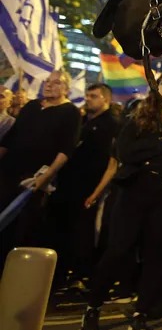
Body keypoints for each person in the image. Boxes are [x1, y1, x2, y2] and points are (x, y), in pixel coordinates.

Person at [79, 72, 162, 330]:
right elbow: (125, 152)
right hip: (134, 193)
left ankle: (140, 313)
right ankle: (92, 308)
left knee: (156, 256)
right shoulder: (139, 119)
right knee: (118, 251)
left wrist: (150, 154)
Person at [0, 69, 82, 268]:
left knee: (23, 229)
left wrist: (46, 177)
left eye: (55, 82)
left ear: (66, 89)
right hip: (8, 173)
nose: (48, 85)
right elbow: (10, 139)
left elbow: (65, 150)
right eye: (47, 81)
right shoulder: (31, 106)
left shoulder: (70, 112)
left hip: (34, 180)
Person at [46, 83, 120, 287]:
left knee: (83, 235)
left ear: (105, 99)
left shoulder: (112, 125)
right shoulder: (82, 121)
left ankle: (81, 275)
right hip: (68, 186)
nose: (88, 99)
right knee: (64, 231)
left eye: (94, 96)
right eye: (87, 95)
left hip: (90, 188)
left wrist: (97, 192)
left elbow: (111, 163)